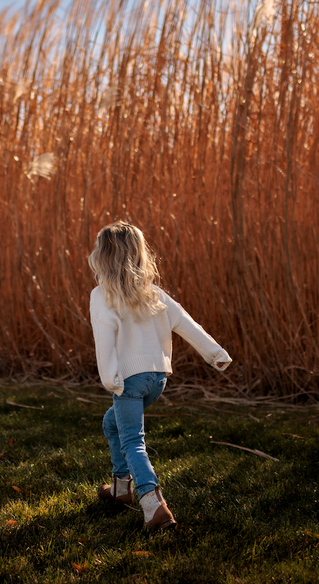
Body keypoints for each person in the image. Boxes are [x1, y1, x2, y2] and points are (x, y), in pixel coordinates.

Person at [88, 222, 232, 530]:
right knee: (111, 423)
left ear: (103, 257)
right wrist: (215, 353)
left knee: (132, 440)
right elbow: (187, 324)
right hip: (157, 379)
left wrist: (110, 378)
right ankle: (121, 487)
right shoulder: (154, 294)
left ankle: (152, 504)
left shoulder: (102, 295)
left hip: (128, 380)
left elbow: (104, 338)